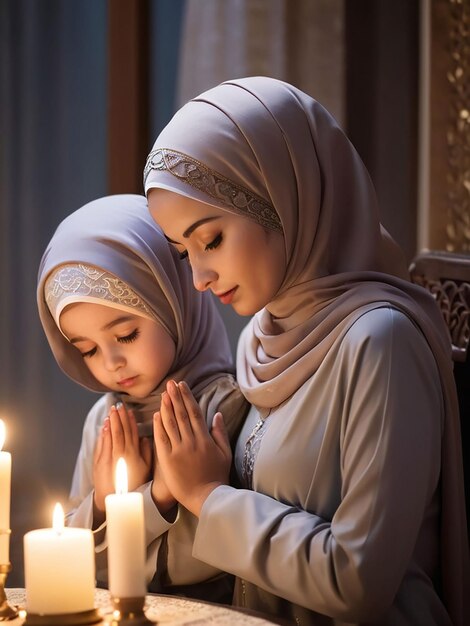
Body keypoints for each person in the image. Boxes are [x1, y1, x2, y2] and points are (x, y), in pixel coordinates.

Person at [143, 77, 470, 625]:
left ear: (282, 198)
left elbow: (358, 581)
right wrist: (161, 495)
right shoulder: (260, 341)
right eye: (183, 253)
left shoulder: (381, 342)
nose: (198, 277)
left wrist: (206, 496)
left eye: (211, 240)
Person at [36, 194, 248, 602]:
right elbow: (70, 554)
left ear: (175, 301)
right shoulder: (105, 419)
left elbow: (215, 555)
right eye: (88, 350)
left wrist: (155, 502)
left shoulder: (226, 408)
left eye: (126, 335)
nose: (112, 363)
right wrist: (110, 501)